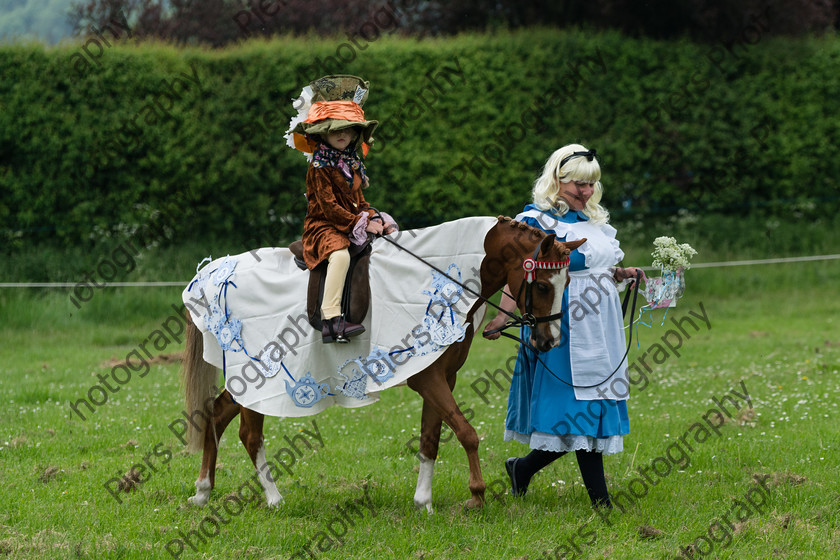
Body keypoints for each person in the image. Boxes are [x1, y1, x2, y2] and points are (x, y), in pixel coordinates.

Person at [483, 144, 642, 508]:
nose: (585, 192)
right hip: (558, 318)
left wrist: (622, 274)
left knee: (593, 407)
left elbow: (598, 266)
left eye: (591, 185)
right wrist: (503, 315)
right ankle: (600, 502)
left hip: (601, 324)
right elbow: (517, 276)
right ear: (557, 180)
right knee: (572, 410)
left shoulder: (596, 222)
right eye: (577, 185)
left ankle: (521, 470)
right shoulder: (535, 222)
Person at [286, 75, 397, 343]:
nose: (342, 134)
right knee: (341, 255)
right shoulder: (319, 167)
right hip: (324, 226)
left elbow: (360, 203)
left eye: (347, 129)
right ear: (322, 132)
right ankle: (331, 319)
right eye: (335, 129)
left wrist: (376, 218)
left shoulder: (352, 164)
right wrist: (359, 224)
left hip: (347, 221)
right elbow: (330, 208)